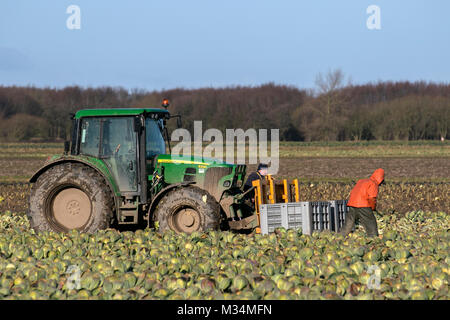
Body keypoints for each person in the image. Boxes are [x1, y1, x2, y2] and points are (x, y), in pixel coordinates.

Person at [339, 168, 385, 237]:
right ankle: (373, 238)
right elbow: (372, 198)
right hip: (364, 205)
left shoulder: (361, 181)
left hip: (352, 204)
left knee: (349, 222)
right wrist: (373, 208)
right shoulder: (373, 184)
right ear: (380, 179)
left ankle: (340, 237)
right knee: (370, 222)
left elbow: (354, 192)